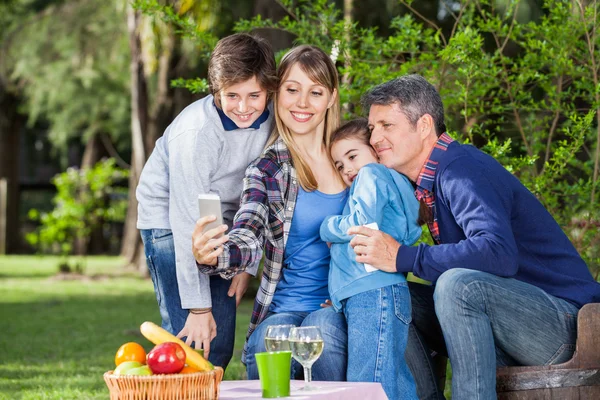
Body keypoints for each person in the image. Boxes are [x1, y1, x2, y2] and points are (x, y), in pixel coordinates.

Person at [348, 74, 600, 399]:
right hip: (511, 323)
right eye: (371, 128)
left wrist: (403, 256)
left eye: (386, 125)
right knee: (389, 295)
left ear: (424, 125)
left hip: (569, 329)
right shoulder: (425, 186)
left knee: (458, 285)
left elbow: (496, 253)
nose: (375, 138)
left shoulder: (460, 169)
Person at [193, 45, 348, 381]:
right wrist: (214, 254)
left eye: (315, 92)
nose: (303, 103)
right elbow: (249, 229)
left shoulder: (353, 157)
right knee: (269, 342)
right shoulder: (267, 168)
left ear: (331, 98)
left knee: (325, 335)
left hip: (336, 305)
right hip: (283, 305)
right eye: (292, 90)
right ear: (278, 94)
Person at [135, 33, 277, 369]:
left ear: (268, 91)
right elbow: (187, 220)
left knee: (220, 341)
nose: (244, 107)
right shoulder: (196, 133)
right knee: (190, 340)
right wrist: (198, 308)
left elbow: (262, 194)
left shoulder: (274, 119)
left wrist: (244, 264)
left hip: (223, 219)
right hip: (170, 220)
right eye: (232, 96)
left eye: (254, 95)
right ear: (215, 91)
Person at [320, 118, 420, 399]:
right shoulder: (388, 182)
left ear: (375, 151)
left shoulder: (371, 175)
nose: (347, 168)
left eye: (352, 156)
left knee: (368, 384)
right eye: (339, 165)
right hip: (377, 291)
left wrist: (328, 226)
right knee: (393, 383)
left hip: (371, 293)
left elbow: (361, 223)